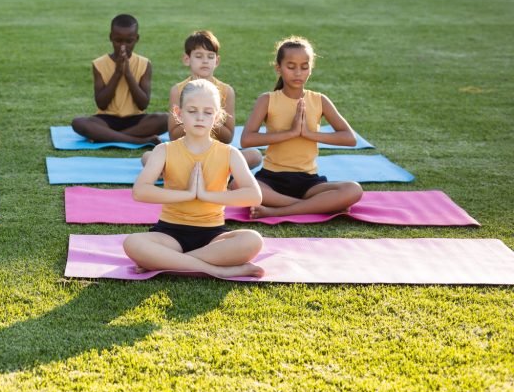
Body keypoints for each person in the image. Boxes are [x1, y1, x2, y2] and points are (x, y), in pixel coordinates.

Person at [122, 79, 264, 278]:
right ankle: (215, 270)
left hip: (213, 235)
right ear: (178, 113)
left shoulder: (229, 153)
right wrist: (187, 194)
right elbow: (140, 191)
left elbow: (254, 196)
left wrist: (204, 195)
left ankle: (167, 262)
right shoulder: (164, 150)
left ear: (217, 117)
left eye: (207, 112)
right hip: (169, 234)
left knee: (252, 240)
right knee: (133, 243)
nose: (200, 117)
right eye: (192, 111)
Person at [240, 36, 363, 218]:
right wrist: (289, 133)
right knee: (238, 185)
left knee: (354, 189)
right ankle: (316, 206)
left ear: (310, 70)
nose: (298, 72)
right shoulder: (267, 100)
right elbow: (247, 139)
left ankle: (276, 211)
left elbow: (349, 138)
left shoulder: (319, 100)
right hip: (271, 179)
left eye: (304, 67)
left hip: (309, 183)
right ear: (278, 68)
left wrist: (309, 134)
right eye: (291, 67)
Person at [143, 30, 262, 168]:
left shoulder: (226, 91)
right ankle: (201, 172)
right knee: (148, 157)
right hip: (184, 152)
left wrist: (209, 119)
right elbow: (174, 135)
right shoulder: (177, 90)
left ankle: (199, 172)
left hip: (215, 154)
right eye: (199, 56)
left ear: (217, 61)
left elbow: (228, 137)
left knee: (255, 155)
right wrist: (192, 120)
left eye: (210, 56)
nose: (205, 61)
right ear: (187, 59)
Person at [71, 13, 167, 144]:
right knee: (78, 123)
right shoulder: (99, 64)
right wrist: (117, 73)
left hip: (136, 119)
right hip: (106, 119)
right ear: (111, 37)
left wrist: (127, 74)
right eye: (118, 41)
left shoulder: (144, 64)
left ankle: (106, 136)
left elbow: (143, 104)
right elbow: (102, 104)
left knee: (166, 119)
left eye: (129, 41)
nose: (123, 46)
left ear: (137, 39)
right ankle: (137, 140)